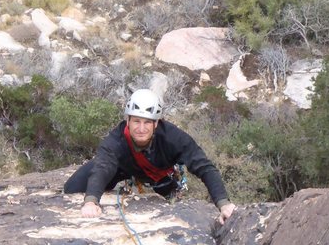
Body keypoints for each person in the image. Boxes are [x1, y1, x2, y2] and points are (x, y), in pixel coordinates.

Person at [64, 89, 237, 224]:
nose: (141, 128)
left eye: (147, 122)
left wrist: (223, 204)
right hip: (122, 168)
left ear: (156, 123)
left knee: (170, 202)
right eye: (136, 121)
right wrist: (91, 201)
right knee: (73, 188)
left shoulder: (173, 138)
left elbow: (204, 167)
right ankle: (126, 182)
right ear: (128, 121)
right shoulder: (115, 140)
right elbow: (103, 166)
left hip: (160, 173)